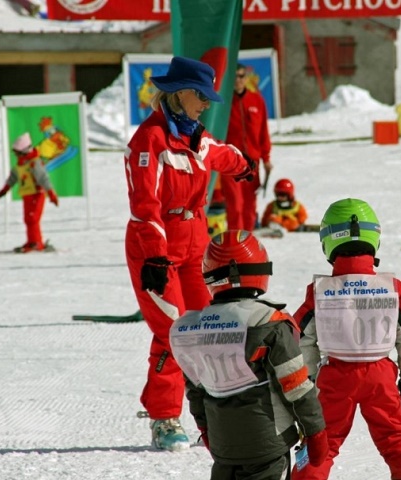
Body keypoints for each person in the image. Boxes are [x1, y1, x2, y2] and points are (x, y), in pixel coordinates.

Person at [124, 56, 256, 452]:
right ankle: (164, 418)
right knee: (173, 334)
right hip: (157, 248)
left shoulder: (195, 135)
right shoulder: (149, 141)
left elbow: (219, 153)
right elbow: (144, 206)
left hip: (195, 245)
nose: (207, 104)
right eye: (202, 97)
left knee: (205, 330)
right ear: (181, 93)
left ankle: (206, 414)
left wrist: (243, 166)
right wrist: (155, 257)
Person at [170, 230, 328, 478]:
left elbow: (196, 392)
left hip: (223, 447)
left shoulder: (189, 329)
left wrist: (206, 430)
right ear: (259, 272)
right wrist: (315, 431)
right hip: (267, 445)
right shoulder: (269, 322)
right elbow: (297, 386)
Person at [292, 198, 401, 480]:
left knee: (323, 443)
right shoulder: (394, 288)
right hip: (380, 375)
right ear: (373, 237)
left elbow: (302, 338)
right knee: (396, 440)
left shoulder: (319, 290)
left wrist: (310, 378)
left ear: (328, 239)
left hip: (336, 376)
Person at [220, 63, 273, 231]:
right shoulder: (223, 103)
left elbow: (263, 132)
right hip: (230, 162)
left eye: (241, 76)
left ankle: (248, 242)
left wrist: (266, 159)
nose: (238, 80)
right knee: (235, 205)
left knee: (249, 206)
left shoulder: (257, 100)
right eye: (234, 77)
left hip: (252, 163)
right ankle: (236, 244)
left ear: (246, 78)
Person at [0, 132, 59, 253]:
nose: (15, 155)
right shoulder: (20, 164)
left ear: (24, 151)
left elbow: (43, 178)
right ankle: (32, 241)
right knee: (28, 219)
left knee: (33, 219)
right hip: (27, 195)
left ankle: (37, 243)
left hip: (37, 194)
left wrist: (51, 193)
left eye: (17, 153)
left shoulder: (34, 162)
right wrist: (5, 189)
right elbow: (13, 177)